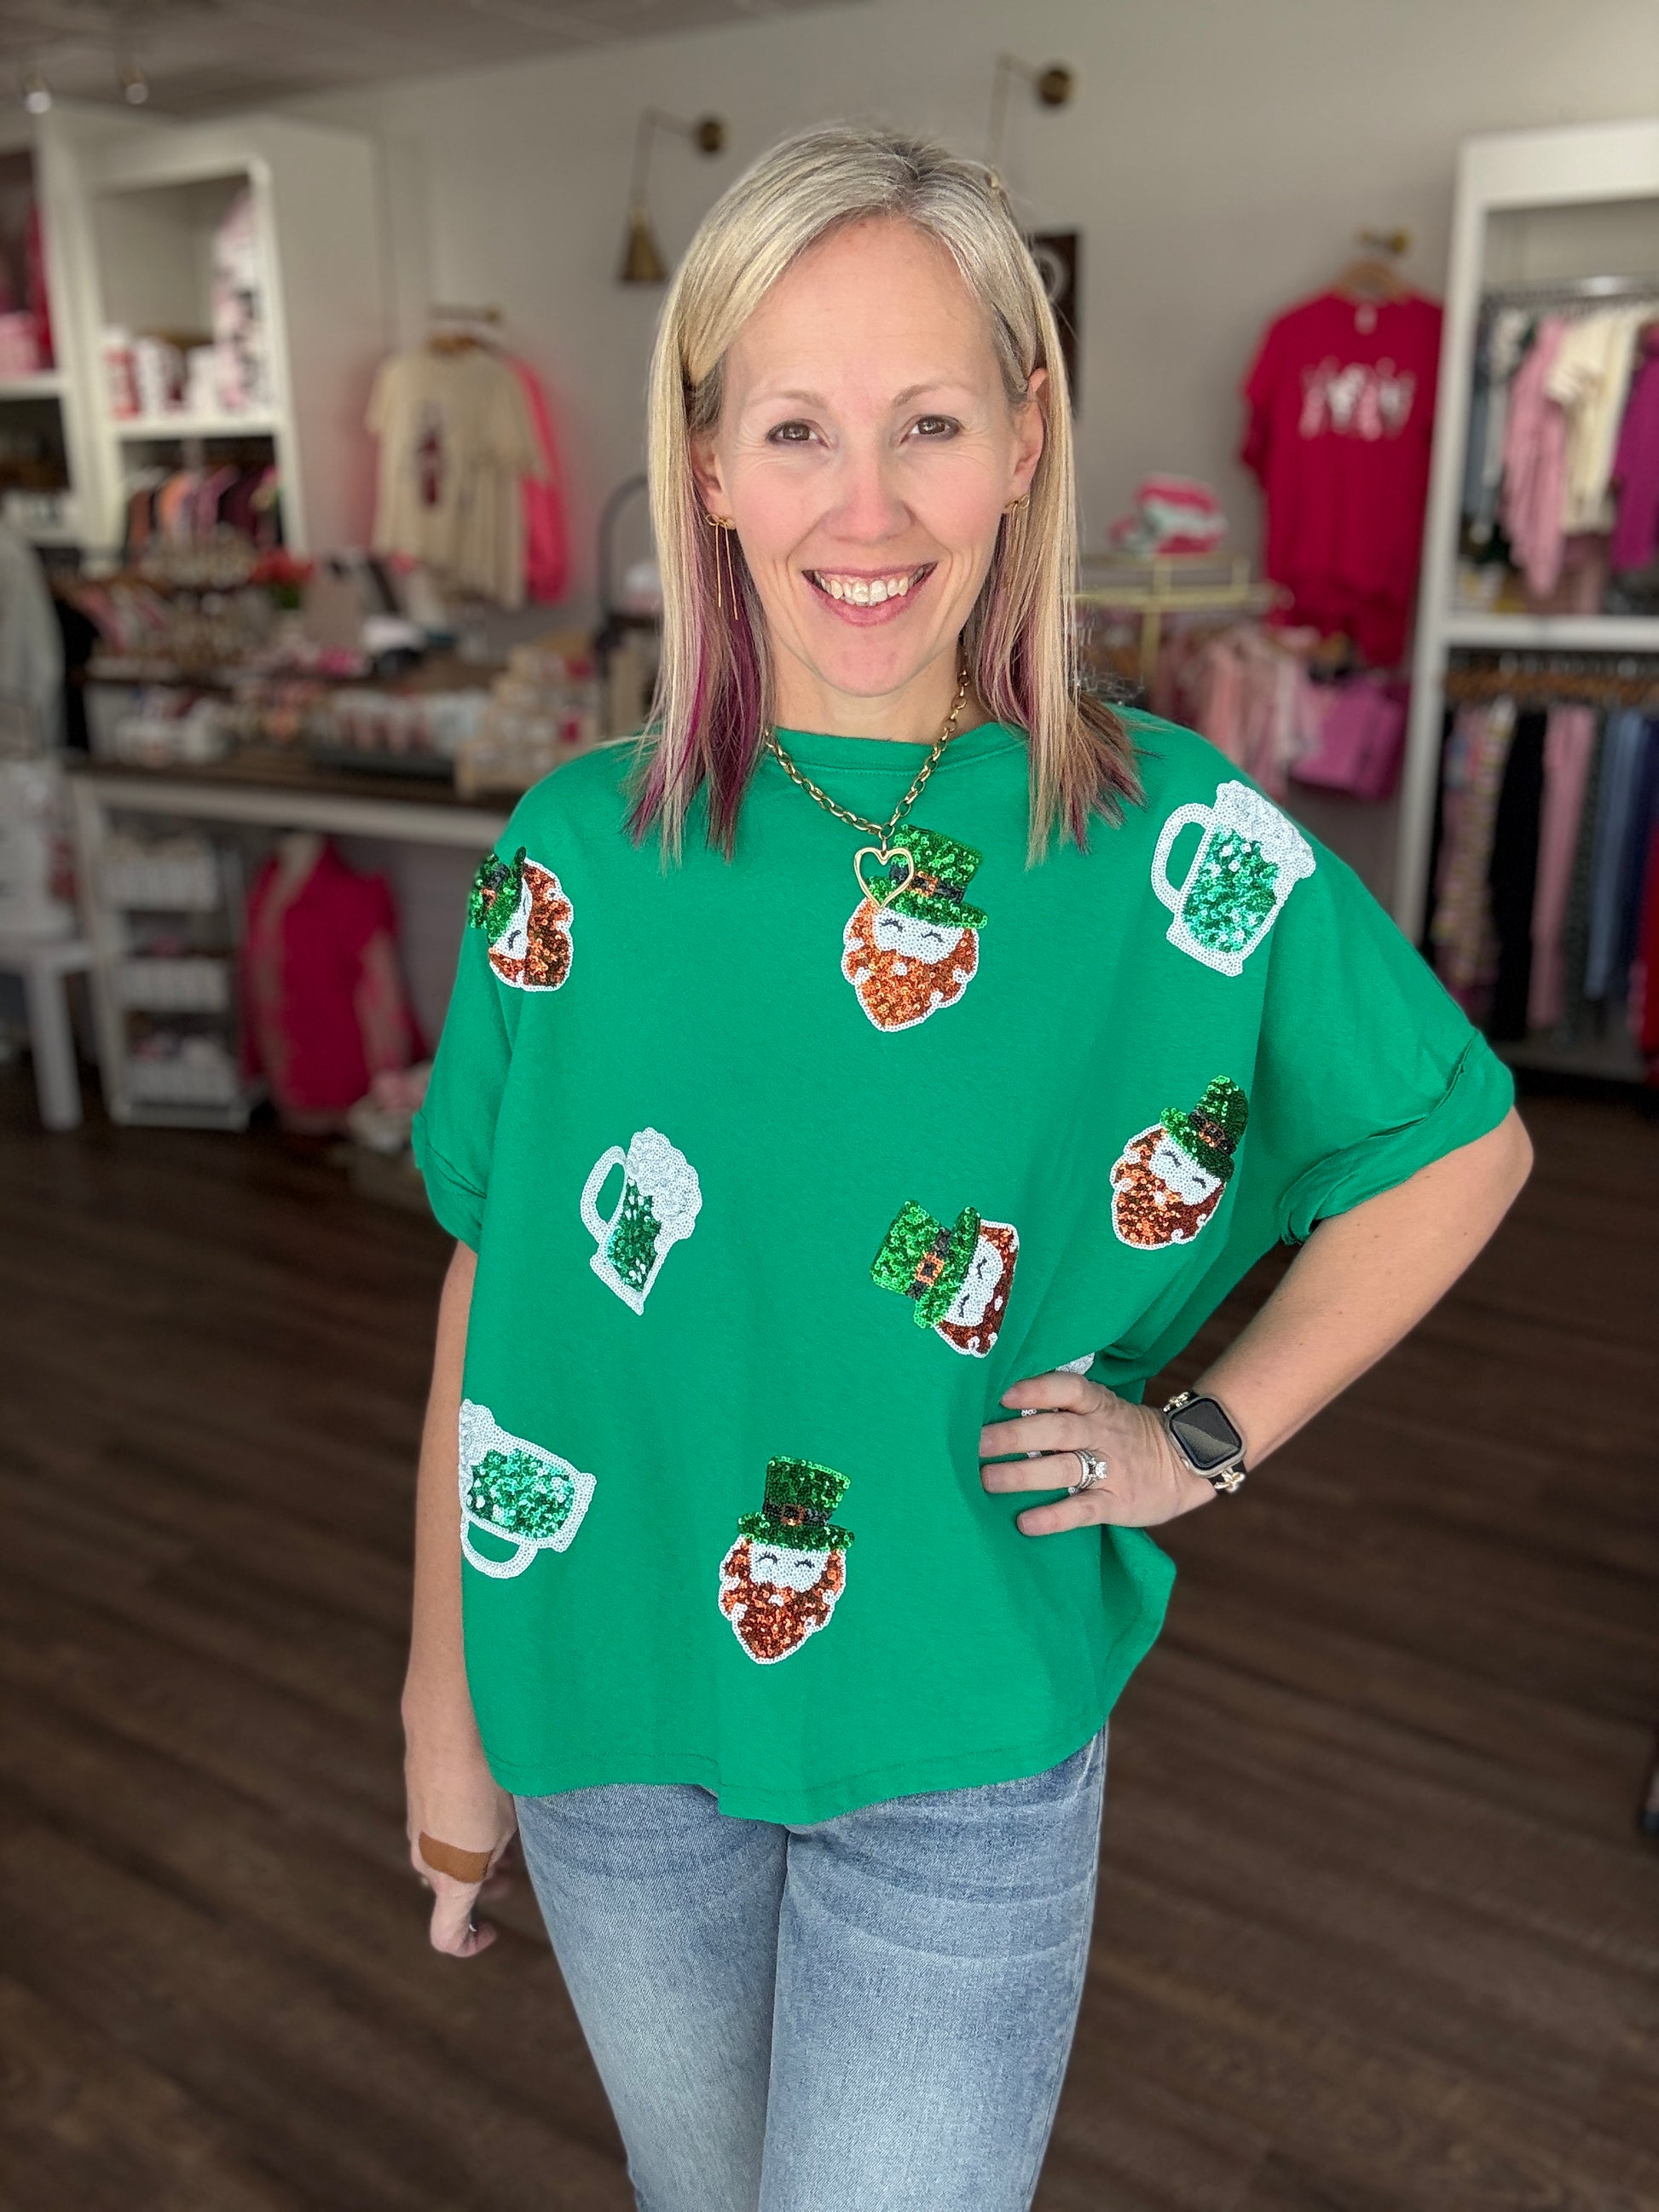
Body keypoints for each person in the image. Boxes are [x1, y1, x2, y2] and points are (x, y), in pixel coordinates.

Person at [402, 124, 1532, 2212]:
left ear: (1025, 437)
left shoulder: (1161, 834)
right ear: (706, 463)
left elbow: (1455, 1145)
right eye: (796, 430)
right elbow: (500, 1284)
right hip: (609, 1692)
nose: (867, 507)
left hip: (963, 1719)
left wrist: (1203, 1438)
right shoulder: (575, 855)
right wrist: (439, 1702)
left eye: (927, 422)